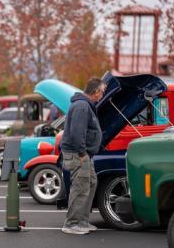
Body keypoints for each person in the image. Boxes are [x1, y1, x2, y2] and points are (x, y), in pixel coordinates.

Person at [60, 77, 106, 235]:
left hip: (85, 154)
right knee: (80, 187)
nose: (103, 95)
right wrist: (81, 153)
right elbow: (76, 132)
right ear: (95, 91)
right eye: (102, 91)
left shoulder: (85, 105)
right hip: (78, 154)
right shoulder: (81, 106)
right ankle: (72, 224)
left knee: (91, 183)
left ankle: (82, 221)